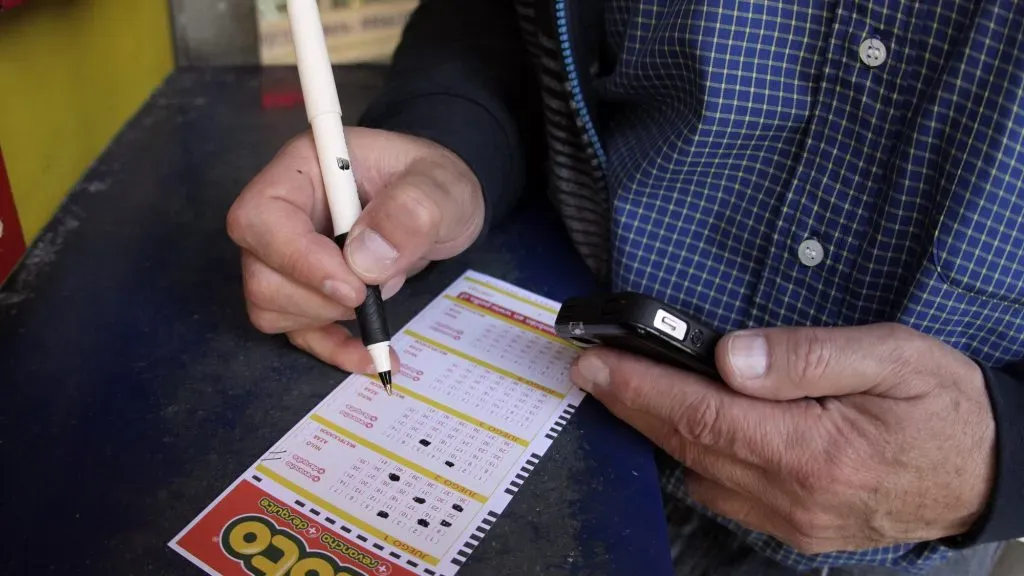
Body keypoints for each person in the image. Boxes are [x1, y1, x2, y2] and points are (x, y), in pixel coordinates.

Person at [225, 0, 1024, 574]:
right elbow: (505, 20)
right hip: (542, 382)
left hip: (909, 538)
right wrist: (452, 144)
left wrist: (1006, 461)